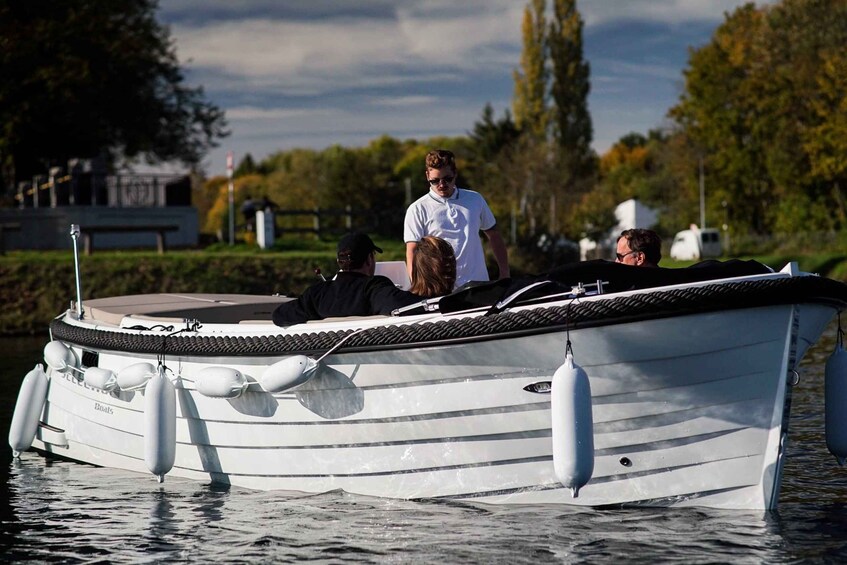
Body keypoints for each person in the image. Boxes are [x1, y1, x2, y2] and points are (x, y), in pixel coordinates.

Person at [404, 149, 509, 289]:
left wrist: (505, 273)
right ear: (427, 176)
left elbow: (494, 234)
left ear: (455, 173)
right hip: (441, 289)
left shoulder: (475, 199)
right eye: (435, 181)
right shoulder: (417, 208)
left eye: (447, 179)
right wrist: (416, 285)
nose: (442, 185)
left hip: (479, 285)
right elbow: (412, 250)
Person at [272, 232, 419, 325]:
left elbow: (280, 315)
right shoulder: (373, 287)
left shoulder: (316, 293)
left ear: (338, 262)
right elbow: (409, 306)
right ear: (369, 260)